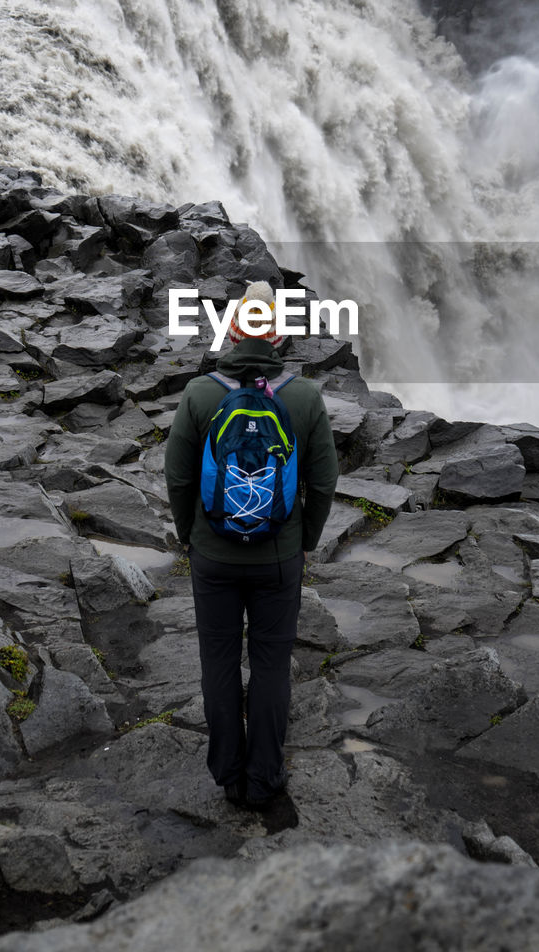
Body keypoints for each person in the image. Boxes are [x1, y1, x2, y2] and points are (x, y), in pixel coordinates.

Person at [164, 280, 339, 810]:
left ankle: (228, 773)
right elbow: (325, 480)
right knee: (270, 663)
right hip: (280, 559)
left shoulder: (199, 393)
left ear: (232, 334)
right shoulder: (305, 397)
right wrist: (305, 540)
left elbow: (176, 477)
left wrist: (189, 536)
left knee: (217, 661)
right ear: (279, 339)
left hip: (213, 557)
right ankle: (265, 777)